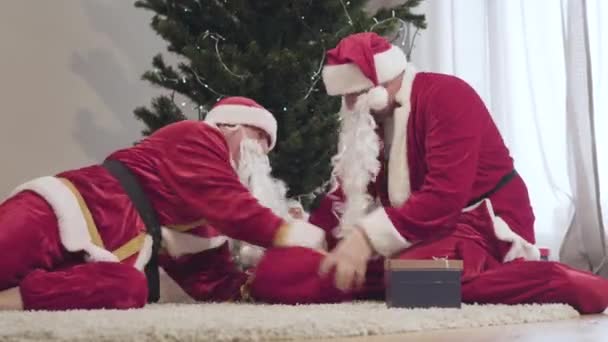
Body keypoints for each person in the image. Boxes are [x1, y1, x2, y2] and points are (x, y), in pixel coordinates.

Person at [246, 32, 608, 314]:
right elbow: (349, 192)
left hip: (480, 223)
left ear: (382, 83)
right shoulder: (370, 123)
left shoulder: (447, 96)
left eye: (355, 94)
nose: (351, 106)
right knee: (289, 270)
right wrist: (312, 237)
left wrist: (366, 240)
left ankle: (559, 281)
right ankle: (398, 278)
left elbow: (444, 199)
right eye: (346, 97)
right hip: (414, 236)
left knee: (411, 278)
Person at [0, 96, 326, 311]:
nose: (261, 154)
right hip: (58, 213)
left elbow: (216, 283)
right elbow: (235, 209)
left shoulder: (205, 217)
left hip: (99, 257)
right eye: (258, 141)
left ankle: (9, 302)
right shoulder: (197, 136)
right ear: (232, 127)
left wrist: (284, 273)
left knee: (130, 288)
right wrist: (291, 234)